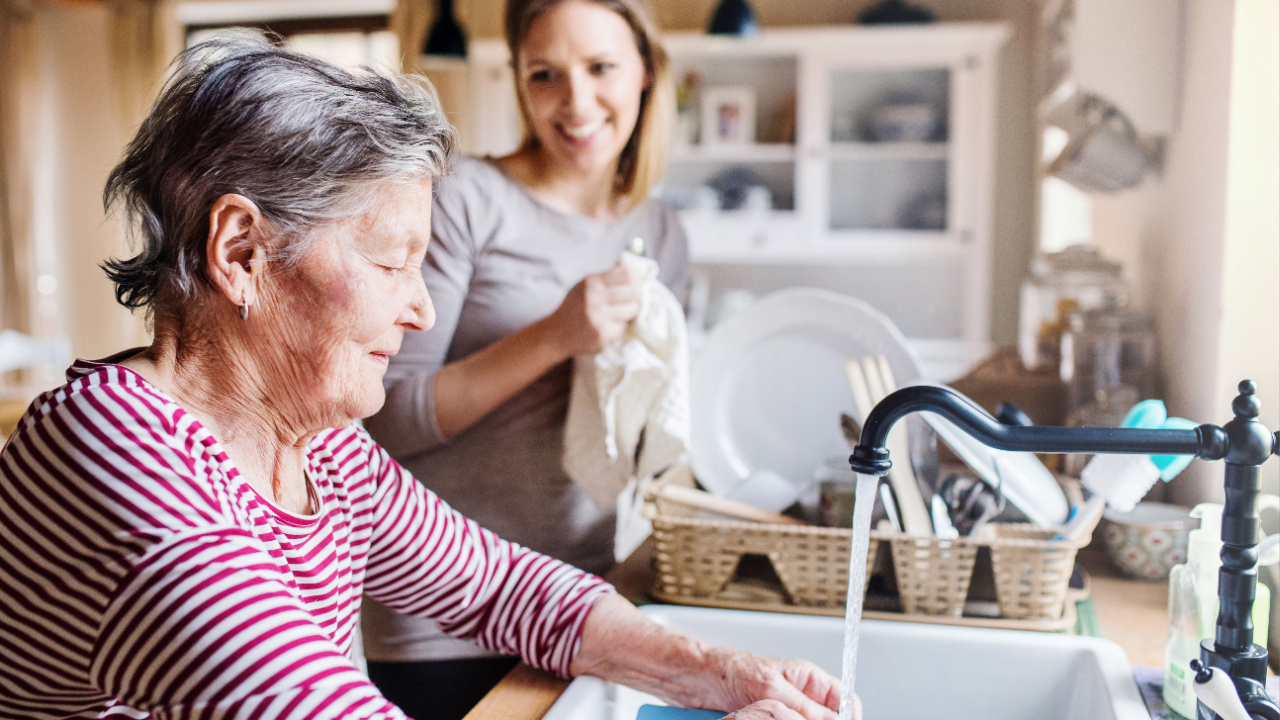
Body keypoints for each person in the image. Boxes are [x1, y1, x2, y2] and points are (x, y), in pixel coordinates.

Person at [0, 33, 857, 720]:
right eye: (391, 263)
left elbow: (502, 587)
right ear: (242, 253)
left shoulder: (322, 445)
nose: (418, 312)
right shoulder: (117, 455)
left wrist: (723, 674)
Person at [359, 0, 692, 714]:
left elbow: (649, 412)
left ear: (645, 71)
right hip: (443, 620)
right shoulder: (465, 199)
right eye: (545, 75)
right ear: (518, 82)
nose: (575, 103)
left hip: (586, 603)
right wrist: (554, 336)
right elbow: (388, 420)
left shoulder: (661, 230)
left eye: (600, 67)